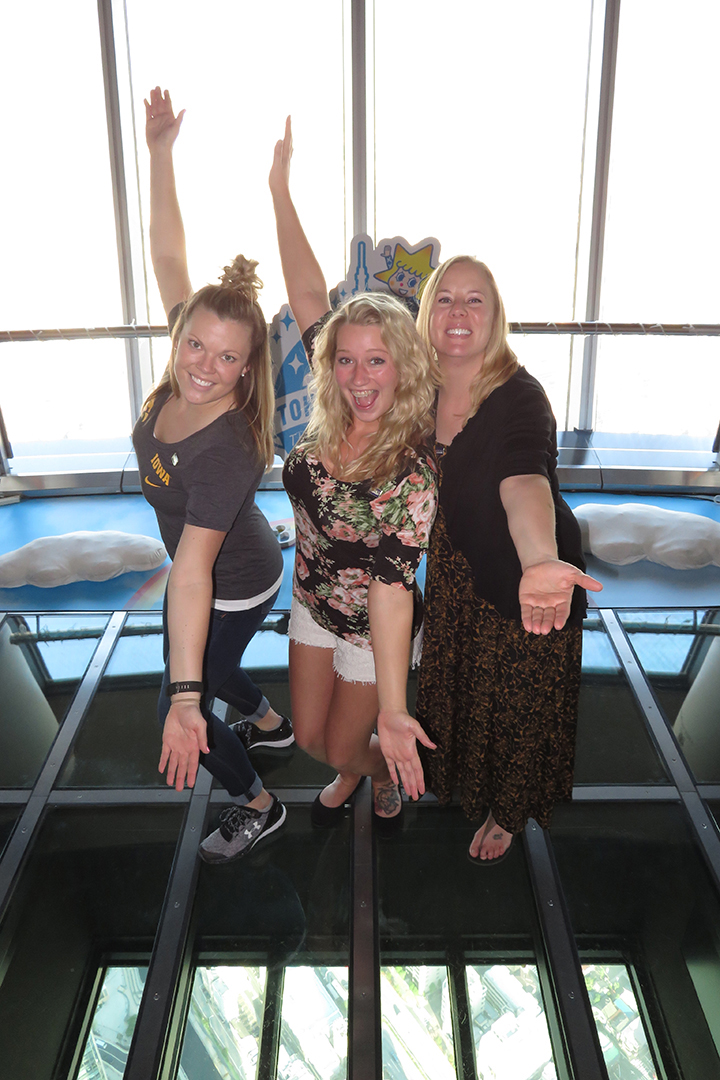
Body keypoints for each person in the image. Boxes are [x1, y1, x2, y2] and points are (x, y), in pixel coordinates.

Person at [380, 255, 603, 863]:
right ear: (426, 316)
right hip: (455, 569)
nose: (458, 311)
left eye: (474, 300)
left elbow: (522, 478)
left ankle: (509, 809)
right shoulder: (416, 392)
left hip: (526, 580)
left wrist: (537, 561)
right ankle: (469, 783)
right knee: (469, 689)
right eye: (445, 298)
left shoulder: (520, 397)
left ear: (495, 317)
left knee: (519, 698)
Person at [134, 87, 292, 864]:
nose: (205, 367)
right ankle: (268, 720)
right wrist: (161, 154)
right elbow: (167, 256)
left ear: (248, 367)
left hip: (234, 579)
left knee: (185, 703)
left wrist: (186, 698)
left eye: (229, 358)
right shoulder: (183, 361)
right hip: (220, 567)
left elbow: (192, 574)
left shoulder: (229, 446)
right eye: (196, 346)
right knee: (215, 665)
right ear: (181, 334)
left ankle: (258, 803)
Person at [269, 120, 438, 828]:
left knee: (344, 741)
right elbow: (308, 289)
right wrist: (278, 187)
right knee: (310, 740)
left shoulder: (413, 472)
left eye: (377, 360)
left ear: (402, 367)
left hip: (375, 631)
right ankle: (357, 762)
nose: (359, 376)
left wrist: (395, 708)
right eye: (346, 358)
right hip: (312, 601)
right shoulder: (329, 407)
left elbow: (395, 591)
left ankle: (375, 766)